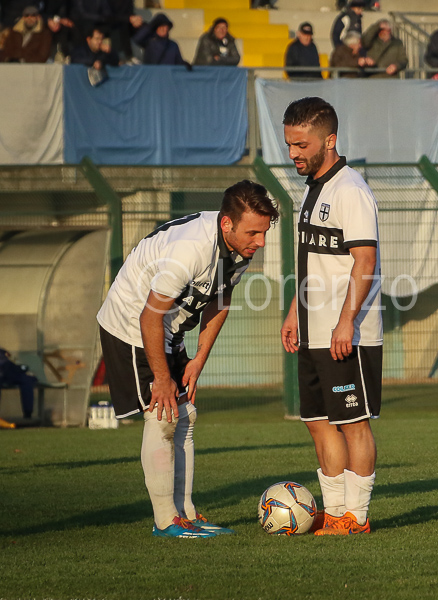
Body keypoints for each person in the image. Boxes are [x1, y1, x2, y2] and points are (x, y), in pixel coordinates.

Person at [96, 180, 279, 538]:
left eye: (264, 232)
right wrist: (163, 379)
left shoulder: (239, 247)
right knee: (162, 415)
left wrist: (197, 360)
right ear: (227, 224)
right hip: (131, 326)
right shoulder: (190, 249)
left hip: (167, 329)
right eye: (253, 232)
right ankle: (166, 520)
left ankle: (187, 514)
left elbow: (220, 301)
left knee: (186, 415)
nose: (260, 242)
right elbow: (148, 317)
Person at [280, 97, 383, 536]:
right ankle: (335, 510)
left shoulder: (350, 190)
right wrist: (294, 312)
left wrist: (346, 321)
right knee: (318, 423)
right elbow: (312, 263)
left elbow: (365, 261)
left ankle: (356, 516)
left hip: (347, 333)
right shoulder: (312, 190)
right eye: (289, 144)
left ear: (329, 140)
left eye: (301, 145)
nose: (293, 153)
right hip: (313, 330)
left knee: (352, 424)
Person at [0, 347, 39, 429]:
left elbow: (10, 359)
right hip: (4, 371)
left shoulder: (3, 352)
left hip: (8, 372)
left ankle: (28, 414)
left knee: (27, 380)